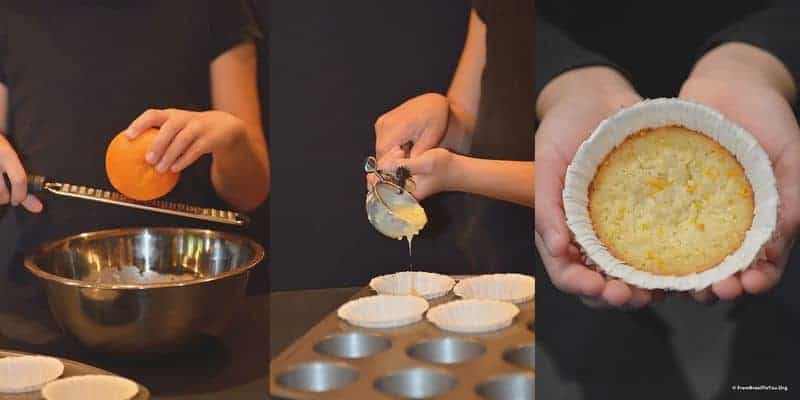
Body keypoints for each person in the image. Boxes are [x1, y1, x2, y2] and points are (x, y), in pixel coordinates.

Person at [533, 2, 800, 399]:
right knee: (611, 355)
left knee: (778, 350)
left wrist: (763, 56)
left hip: (764, 95)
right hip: (569, 100)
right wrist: (557, 74)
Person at [0, 0, 269, 284]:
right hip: (46, 290)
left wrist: (232, 140)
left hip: (193, 284)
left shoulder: (216, 8)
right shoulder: (11, 12)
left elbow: (249, 194)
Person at [371, 0, 534, 273]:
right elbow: (470, 122)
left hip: (572, 273)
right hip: (497, 259)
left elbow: (588, 180)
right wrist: (441, 116)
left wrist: (458, 173)